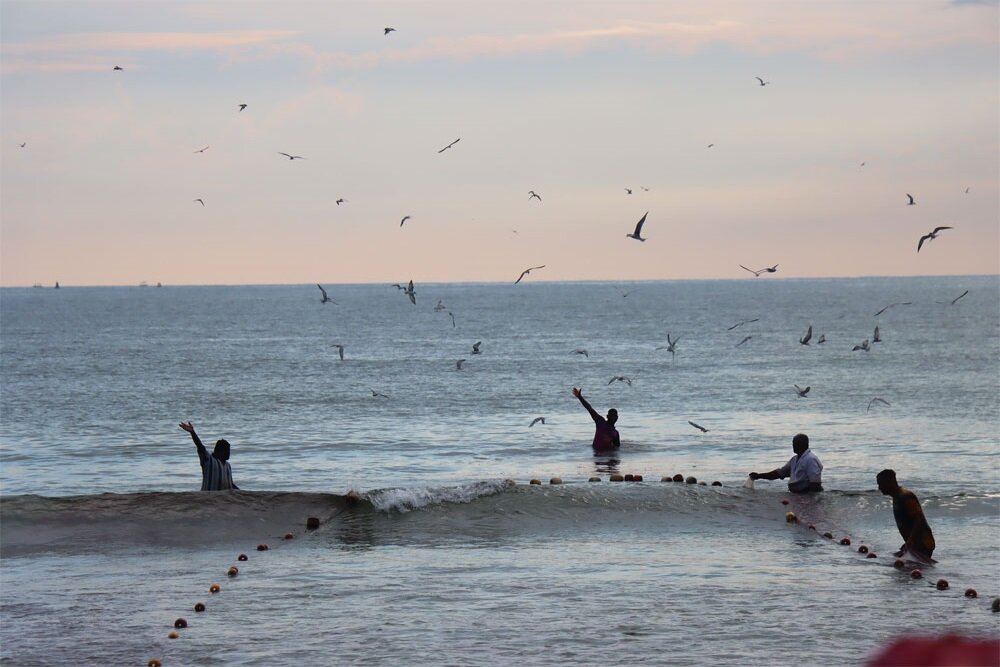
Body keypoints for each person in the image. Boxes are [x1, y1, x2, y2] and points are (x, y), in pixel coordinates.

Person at [876, 469, 935, 560]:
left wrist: (911, 540)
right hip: (915, 543)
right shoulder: (897, 497)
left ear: (891, 481)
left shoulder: (906, 496)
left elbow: (919, 519)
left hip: (923, 543)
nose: (879, 488)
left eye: (881, 484)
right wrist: (909, 541)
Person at [749, 433, 823, 493]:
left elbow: (815, 484)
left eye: (796, 443)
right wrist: (759, 476)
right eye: (793, 443)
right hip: (796, 495)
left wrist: (809, 501)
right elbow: (780, 473)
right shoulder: (794, 459)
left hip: (805, 495)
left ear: (804, 444)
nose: (793, 445)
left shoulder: (810, 459)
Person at [178, 421, 239, 491]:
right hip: (208, 496)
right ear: (220, 450)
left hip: (223, 497)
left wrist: (243, 493)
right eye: (227, 450)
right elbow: (200, 446)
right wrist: (192, 432)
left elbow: (230, 484)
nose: (229, 453)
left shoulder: (228, 466)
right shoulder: (208, 459)